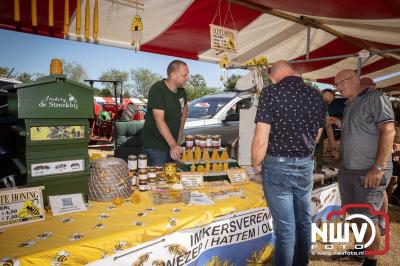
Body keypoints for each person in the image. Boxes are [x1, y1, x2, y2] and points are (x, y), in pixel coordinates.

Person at [251, 60, 325, 266]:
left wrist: (256, 162)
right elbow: (318, 133)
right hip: (305, 164)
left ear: (273, 76)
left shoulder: (271, 93)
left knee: (285, 228)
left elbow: (260, 138)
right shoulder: (315, 95)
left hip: (277, 166)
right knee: (303, 221)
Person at [333, 70, 395, 266]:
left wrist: (378, 168)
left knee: (366, 219)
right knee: (354, 216)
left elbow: (388, 130)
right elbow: (360, 128)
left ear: (354, 80)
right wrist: (338, 123)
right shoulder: (348, 104)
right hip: (348, 171)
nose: (338, 87)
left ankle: (371, 261)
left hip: (369, 171)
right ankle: (360, 251)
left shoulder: (374, 98)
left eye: (341, 83)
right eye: (336, 85)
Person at [141, 60, 189, 166]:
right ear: (173, 75)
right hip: (156, 147)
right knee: (157, 180)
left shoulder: (182, 91)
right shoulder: (158, 89)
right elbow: (160, 121)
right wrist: (173, 144)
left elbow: (185, 110)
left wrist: (178, 139)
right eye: (184, 75)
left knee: (172, 179)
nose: (187, 78)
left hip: (173, 146)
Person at [360, 76, 388, 236]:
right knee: (378, 193)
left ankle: (380, 222)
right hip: (369, 160)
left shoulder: (378, 100)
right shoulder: (363, 103)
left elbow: (387, 132)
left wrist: (379, 166)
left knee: (378, 193)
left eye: (366, 87)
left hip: (378, 161)